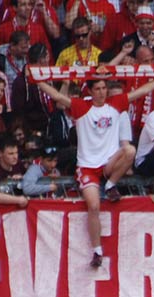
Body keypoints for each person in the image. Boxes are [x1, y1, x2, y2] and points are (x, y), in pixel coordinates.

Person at [38, 70, 143, 266]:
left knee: (129, 150)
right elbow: (58, 97)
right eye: (98, 89)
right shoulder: (81, 106)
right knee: (93, 206)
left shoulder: (115, 103)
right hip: (87, 167)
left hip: (108, 164)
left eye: (104, 88)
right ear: (90, 91)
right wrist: (37, 80)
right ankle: (97, 251)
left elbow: (140, 92)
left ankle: (110, 185)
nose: (102, 92)